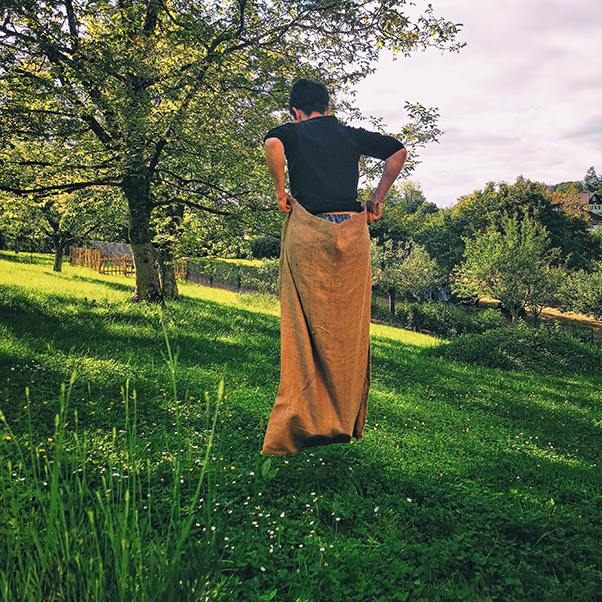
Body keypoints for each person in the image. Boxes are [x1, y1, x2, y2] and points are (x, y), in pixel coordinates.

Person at [261, 79, 407, 455]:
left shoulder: (290, 132)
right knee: (348, 330)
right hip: (351, 234)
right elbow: (397, 153)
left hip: (309, 230)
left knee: (303, 327)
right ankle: (343, 421)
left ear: (296, 111)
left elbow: (273, 145)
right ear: (327, 107)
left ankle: (303, 418)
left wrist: (280, 193)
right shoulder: (350, 134)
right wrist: (376, 199)